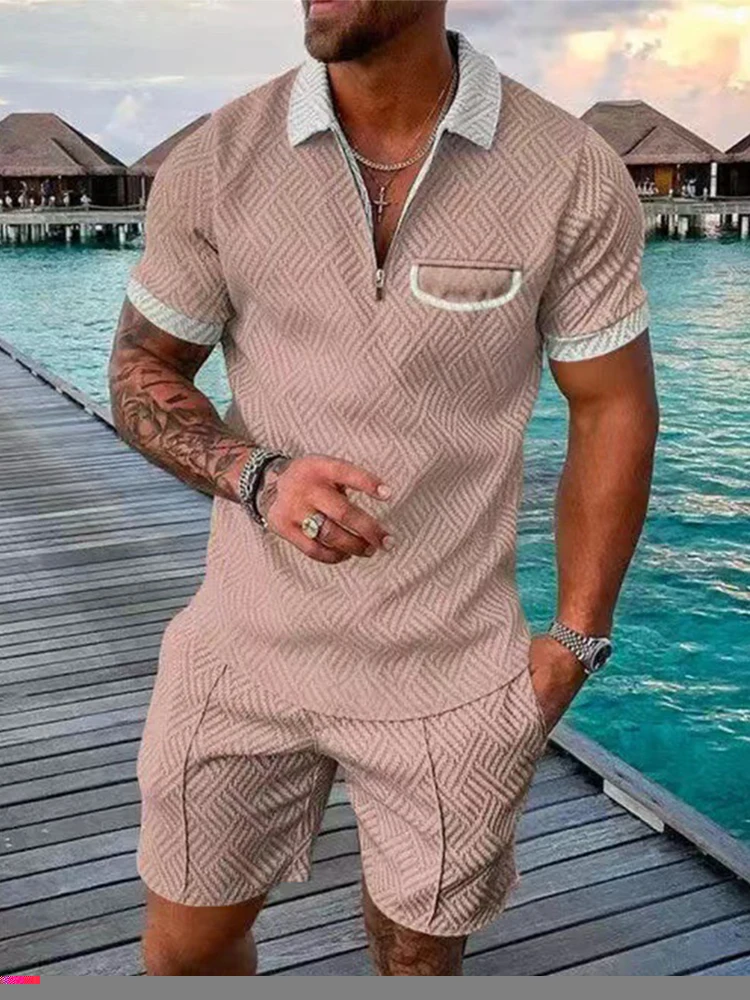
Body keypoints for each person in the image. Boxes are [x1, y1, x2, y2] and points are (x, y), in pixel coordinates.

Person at [110, 0, 658, 977]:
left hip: (450, 673)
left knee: (415, 962)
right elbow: (141, 366)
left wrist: (576, 640)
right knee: (185, 954)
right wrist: (256, 474)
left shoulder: (568, 170)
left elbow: (611, 405)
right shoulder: (219, 160)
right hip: (240, 652)